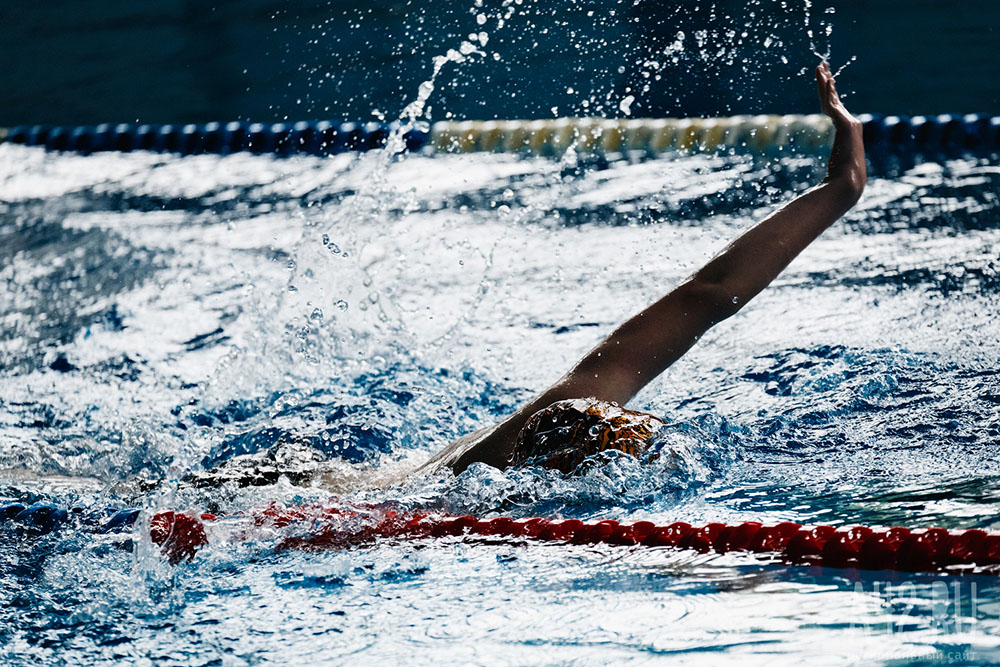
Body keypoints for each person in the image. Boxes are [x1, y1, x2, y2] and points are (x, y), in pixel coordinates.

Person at [419, 62, 866, 476]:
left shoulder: (505, 448)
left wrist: (841, 188)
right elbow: (707, 295)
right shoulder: (473, 484)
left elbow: (709, 294)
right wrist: (841, 186)